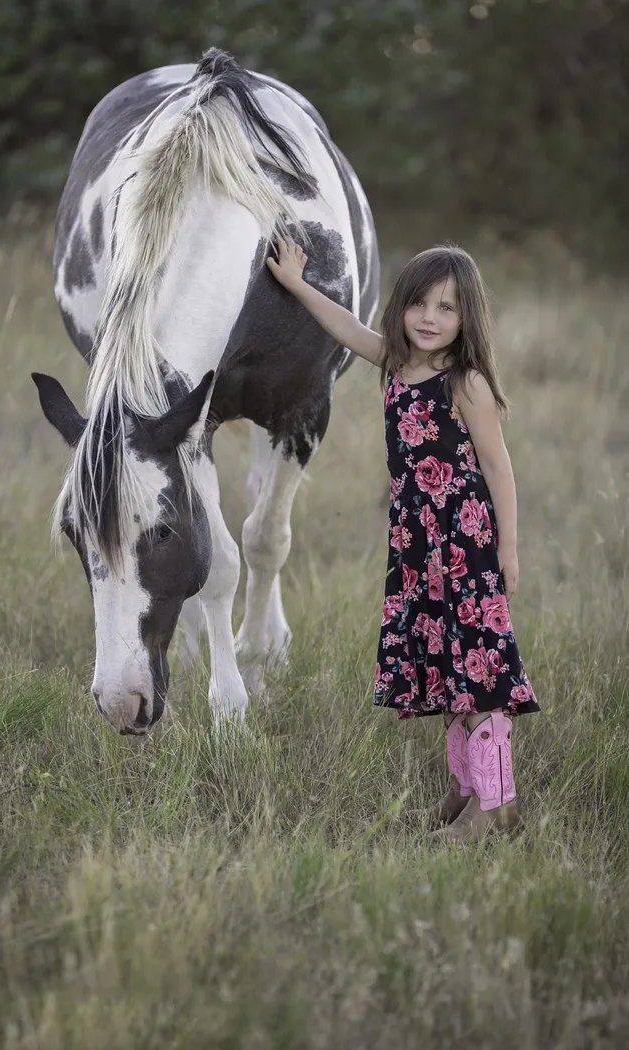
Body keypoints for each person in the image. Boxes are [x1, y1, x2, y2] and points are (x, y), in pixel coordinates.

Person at [266, 237, 539, 842]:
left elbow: (498, 467)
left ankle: (494, 811)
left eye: (446, 308)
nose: (429, 319)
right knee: (447, 660)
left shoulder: (465, 382)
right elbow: (343, 326)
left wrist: (509, 549)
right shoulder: (396, 361)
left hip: (465, 539)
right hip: (418, 544)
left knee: (481, 665)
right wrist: (293, 283)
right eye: (419, 304)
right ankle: (467, 788)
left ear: (467, 317)